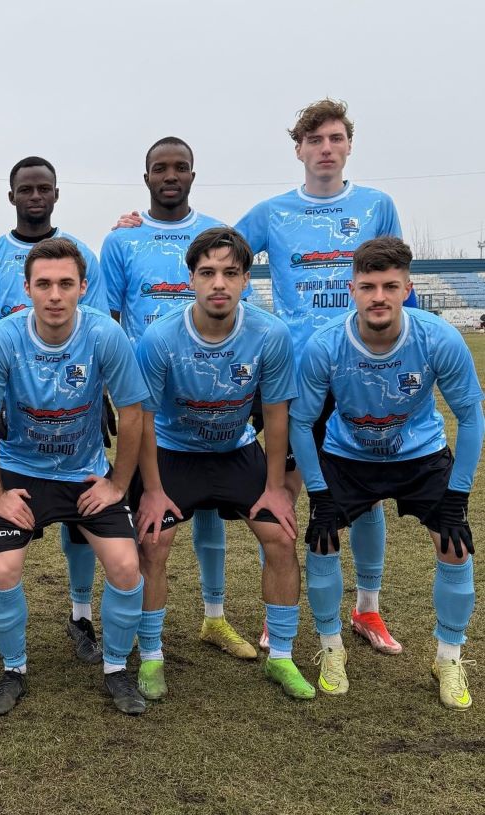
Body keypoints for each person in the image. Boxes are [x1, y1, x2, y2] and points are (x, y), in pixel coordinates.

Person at [235, 99, 413, 653]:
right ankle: (280, 610)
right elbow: (220, 257)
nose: (326, 149)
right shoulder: (273, 212)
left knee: (368, 494)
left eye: (335, 138)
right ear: (299, 150)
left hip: (363, 373)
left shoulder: (377, 205)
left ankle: (367, 609)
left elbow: (397, 276)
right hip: (294, 377)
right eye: (315, 140)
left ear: (349, 145)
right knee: (283, 490)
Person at [290, 236, 483, 708]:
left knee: (455, 545)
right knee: (322, 539)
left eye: (390, 286)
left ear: (407, 289)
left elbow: (471, 415)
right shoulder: (325, 345)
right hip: (348, 456)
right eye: (369, 286)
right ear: (352, 290)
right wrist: (319, 493)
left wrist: (458, 495)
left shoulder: (438, 338)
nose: (379, 297)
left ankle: (448, 656)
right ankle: (331, 648)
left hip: (420, 455)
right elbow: (300, 422)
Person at [134, 227, 313, 701]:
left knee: (280, 536)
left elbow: (276, 413)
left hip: (237, 450)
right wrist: (152, 490)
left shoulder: (270, 333)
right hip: (173, 453)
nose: (219, 283)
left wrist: (275, 487)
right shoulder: (159, 337)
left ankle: (281, 657)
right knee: (152, 543)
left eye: (230, 273)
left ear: (246, 279)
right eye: (208, 272)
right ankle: (150, 656)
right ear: (190, 279)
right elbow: (143, 420)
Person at [0, 237, 148, 715]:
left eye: (66, 284)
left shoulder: (105, 335)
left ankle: (116, 668)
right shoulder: (3, 338)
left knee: (126, 566)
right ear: (27, 287)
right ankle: (13, 670)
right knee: (2, 569)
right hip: (22, 472)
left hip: (84, 474)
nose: (54, 295)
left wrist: (116, 484)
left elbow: (133, 412)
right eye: (44, 284)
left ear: (83, 288)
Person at [100, 138, 255, 662]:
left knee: (211, 509)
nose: (170, 175)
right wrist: (111, 386)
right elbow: (109, 315)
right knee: (151, 523)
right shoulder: (122, 239)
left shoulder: (218, 232)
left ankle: (215, 617)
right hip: (146, 394)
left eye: (180, 167)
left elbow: (238, 306)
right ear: (145, 177)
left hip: (210, 388)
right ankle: (142, 635)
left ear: (193, 174)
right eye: (160, 168)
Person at [0, 156, 110, 664]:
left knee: (81, 514)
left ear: (56, 194)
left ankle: (81, 615)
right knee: (2, 512)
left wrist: (98, 396)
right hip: (12, 408)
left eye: (44, 188)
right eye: (26, 189)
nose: (35, 196)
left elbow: (99, 328)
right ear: (12, 196)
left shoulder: (81, 254)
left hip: (74, 409)